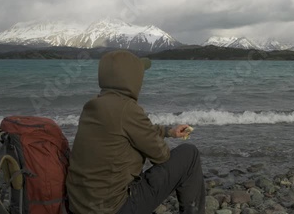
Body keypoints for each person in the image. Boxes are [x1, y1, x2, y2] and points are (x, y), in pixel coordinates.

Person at [66, 50, 205, 214]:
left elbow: (132, 130)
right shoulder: (128, 109)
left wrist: (169, 132)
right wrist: (154, 142)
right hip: (114, 208)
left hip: (81, 206)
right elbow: (161, 155)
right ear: (132, 78)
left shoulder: (92, 106)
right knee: (189, 154)